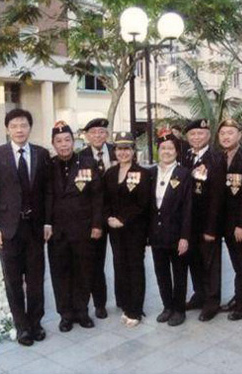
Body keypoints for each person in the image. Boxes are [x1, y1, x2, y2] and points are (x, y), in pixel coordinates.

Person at [0, 108, 52, 346]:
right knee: (13, 280)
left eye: (23, 125)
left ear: (29, 127)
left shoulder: (42, 154)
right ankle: (22, 326)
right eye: (14, 126)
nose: (19, 130)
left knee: (35, 279)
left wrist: (47, 222)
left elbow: (48, 192)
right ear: (7, 129)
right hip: (8, 230)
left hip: (35, 228)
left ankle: (35, 323)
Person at [47, 121, 103, 332]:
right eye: (59, 141)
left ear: (74, 141)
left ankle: (82, 311)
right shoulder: (49, 166)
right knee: (60, 274)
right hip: (57, 232)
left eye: (67, 140)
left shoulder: (87, 163)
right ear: (53, 144)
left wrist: (97, 224)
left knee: (83, 271)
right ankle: (66, 314)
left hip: (83, 229)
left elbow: (97, 196)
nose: (64, 145)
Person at [103, 132, 150, 328]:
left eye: (127, 148)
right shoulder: (110, 173)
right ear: (115, 151)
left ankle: (136, 310)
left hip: (134, 229)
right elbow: (103, 199)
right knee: (120, 266)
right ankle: (125, 305)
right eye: (120, 149)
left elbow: (143, 204)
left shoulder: (143, 173)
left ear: (133, 151)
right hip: (114, 230)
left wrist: (123, 219)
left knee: (134, 267)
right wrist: (109, 218)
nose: (123, 152)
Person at [181, 119, 226, 321]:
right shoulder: (185, 157)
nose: (196, 138)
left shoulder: (216, 158)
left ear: (208, 136)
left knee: (210, 263)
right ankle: (199, 295)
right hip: (189, 223)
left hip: (207, 222)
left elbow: (217, 197)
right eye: (193, 135)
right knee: (194, 262)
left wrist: (212, 228)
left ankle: (211, 301)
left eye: (200, 134)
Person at [149, 131, 193, 327]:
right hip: (156, 233)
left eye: (170, 149)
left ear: (177, 151)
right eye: (163, 148)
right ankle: (167, 306)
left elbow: (188, 208)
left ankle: (179, 309)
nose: (166, 152)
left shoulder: (184, 174)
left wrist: (185, 237)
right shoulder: (150, 173)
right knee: (161, 272)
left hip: (176, 234)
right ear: (158, 151)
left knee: (179, 273)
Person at [217, 118, 242, 320]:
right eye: (223, 133)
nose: (226, 136)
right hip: (226, 223)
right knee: (236, 263)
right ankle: (238, 296)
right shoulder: (220, 158)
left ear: (239, 136)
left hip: (240, 224)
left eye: (230, 133)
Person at [80, 117, 116, 319]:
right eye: (93, 132)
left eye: (101, 132)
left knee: (122, 260)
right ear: (87, 136)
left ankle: (125, 300)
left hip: (117, 216)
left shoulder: (118, 150)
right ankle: (99, 304)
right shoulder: (81, 157)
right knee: (96, 262)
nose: (98, 136)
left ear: (107, 135)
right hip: (96, 217)